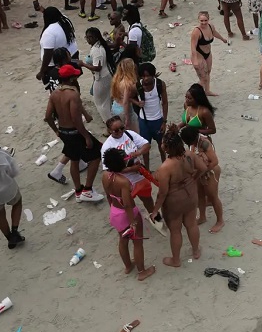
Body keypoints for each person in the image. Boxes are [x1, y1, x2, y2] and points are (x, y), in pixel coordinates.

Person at [44, 62, 104, 202]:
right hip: (75, 132)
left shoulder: (54, 94)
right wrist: (86, 137)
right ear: (71, 79)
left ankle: (78, 191)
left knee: (74, 160)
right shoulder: (73, 95)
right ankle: (88, 190)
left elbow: (47, 117)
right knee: (96, 155)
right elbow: (76, 120)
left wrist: (57, 131)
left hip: (64, 132)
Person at [101, 147, 157, 280]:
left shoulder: (105, 175)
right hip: (128, 213)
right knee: (137, 242)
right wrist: (133, 222)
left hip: (115, 212)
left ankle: (128, 266)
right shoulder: (123, 182)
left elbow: (108, 195)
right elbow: (127, 204)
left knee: (123, 240)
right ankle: (142, 271)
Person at [152, 124, 203, 268]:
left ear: (166, 148)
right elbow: (203, 168)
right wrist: (194, 178)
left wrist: (155, 210)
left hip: (175, 201)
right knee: (191, 224)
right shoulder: (190, 155)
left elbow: (162, 193)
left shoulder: (165, 167)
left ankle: (176, 259)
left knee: (175, 230)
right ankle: (196, 251)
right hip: (190, 194)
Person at [180, 123, 224, 233]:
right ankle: (202, 217)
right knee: (200, 194)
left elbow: (214, 161)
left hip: (211, 171)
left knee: (212, 196)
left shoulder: (204, 143)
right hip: (200, 172)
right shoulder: (194, 143)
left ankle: (220, 221)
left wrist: (202, 170)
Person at [189, 10, 228, 96]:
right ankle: (192, 94)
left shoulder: (210, 26)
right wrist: (194, 59)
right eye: (201, 21)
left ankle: (207, 91)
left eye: (205, 20)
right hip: (198, 54)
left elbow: (215, 33)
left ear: (208, 20)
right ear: (198, 20)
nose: (203, 23)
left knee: (208, 72)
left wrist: (222, 39)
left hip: (208, 53)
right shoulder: (196, 31)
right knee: (203, 78)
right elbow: (193, 46)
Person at [82, 26, 115, 123]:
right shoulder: (99, 46)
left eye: (90, 37)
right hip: (106, 75)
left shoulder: (97, 50)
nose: (88, 39)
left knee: (100, 103)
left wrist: (83, 64)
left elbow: (97, 67)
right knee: (106, 101)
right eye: (87, 37)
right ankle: (111, 121)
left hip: (101, 78)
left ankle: (109, 123)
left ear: (96, 37)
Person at [133, 62, 168, 153]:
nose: (146, 79)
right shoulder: (137, 86)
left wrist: (164, 121)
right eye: (143, 76)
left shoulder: (160, 84)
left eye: (148, 76)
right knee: (145, 147)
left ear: (153, 75)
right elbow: (129, 97)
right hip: (143, 121)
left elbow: (165, 103)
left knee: (162, 146)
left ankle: (164, 164)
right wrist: (137, 103)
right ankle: (147, 167)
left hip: (158, 120)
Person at [36, 7, 78, 81]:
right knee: (72, 81)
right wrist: (43, 10)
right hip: (72, 55)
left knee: (59, 86)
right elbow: (52, 13)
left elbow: (48, 54)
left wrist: (42, 72)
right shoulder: (64, 20)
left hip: (58, 64)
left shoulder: (48, 33)